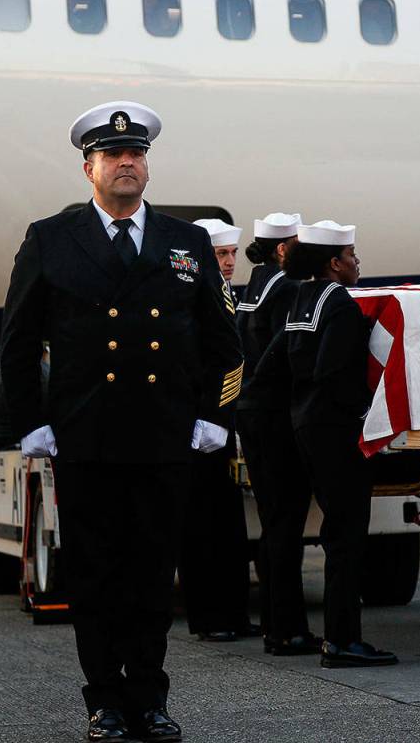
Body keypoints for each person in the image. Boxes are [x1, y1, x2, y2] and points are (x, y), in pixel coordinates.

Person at [0, 100, 242, 743]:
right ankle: (104, 701)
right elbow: (19, 342)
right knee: (96, 576)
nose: (127, 163)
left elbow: (226, 345)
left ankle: (150, 700)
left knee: (153, 576)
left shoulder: (186, 240)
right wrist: (31, 422)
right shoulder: (50, 238)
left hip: (164, 437)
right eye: (113, 155)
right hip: (86, 438)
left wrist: (216, 416)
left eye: (136, 154)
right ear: (89, 168)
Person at [270, 219, 397, 667]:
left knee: (336, 533)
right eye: (351, 255)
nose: (357, 262)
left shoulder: (303, 297)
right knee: (347, 537)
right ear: (334, 263)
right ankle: (343, 641)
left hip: (305, 422)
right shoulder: (340, 303)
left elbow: (283, 365)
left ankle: (339, 637)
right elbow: (335, 373)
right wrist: (370, 416)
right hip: (337, 431)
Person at [236, 213, 323, 655]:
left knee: (274, 523)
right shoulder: (288, 289)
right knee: (287, 523)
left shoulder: (253, 287)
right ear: (284, 249)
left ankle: (275, 624)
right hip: (276, 416)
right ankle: (289, 629)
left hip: (251, 413)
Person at [177, 219, 256, 642]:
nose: (227, 263)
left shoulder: (227, 295)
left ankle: (232, 613)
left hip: (221, 424)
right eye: (219, 255)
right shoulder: (192, 297)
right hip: (198, 425)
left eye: (231, 254)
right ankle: (209, 616)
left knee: (227, 525)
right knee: (201, 524)